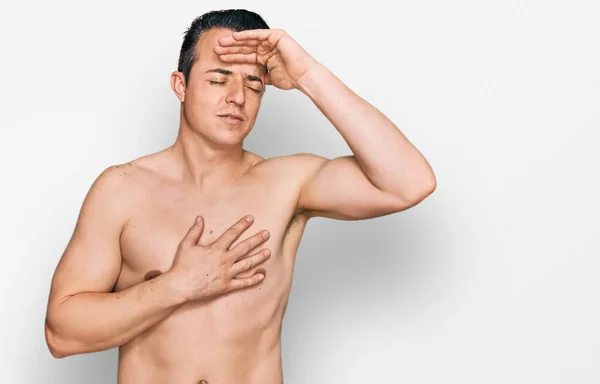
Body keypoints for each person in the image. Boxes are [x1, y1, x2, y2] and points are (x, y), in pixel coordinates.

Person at [44, 8, 436, 384]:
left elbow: (409, 182)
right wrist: (176, 286)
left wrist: (306, 75)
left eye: (253, 84)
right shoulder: (121, 189)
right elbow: (61, 334)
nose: (237, 97)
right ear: (181, 85)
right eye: (218, 79)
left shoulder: (288, 183)